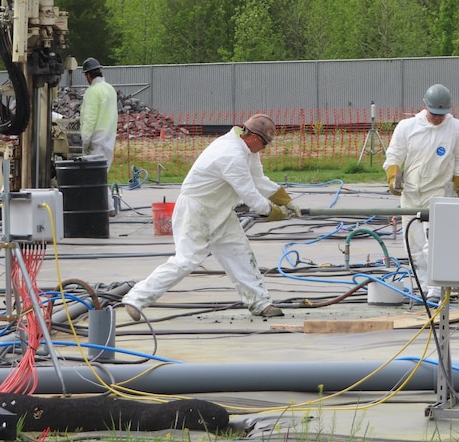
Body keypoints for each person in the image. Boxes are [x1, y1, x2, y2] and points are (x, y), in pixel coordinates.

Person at [122, 113, 300, 319]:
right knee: (186, 261)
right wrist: (272, 212)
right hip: (196, 212)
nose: (265, 148)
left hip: (220, 211)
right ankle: (135, 298)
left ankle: (260, 303)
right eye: (265, 143)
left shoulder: (247, 150)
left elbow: (258, 179)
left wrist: (284, 198)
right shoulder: (231, 154)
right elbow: (249, 194)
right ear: (253, 137)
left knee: (240, 253)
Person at [383, 84, 459, 303]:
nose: (438, 119)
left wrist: (458, 181)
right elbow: (393, 156)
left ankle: (436, 288)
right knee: (413, 245)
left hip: (439, 194)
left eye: (442, 115)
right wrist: (393, 175)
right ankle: (423, 288)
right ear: (425, 106)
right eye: (434, 114)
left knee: (434, 244)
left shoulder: (457, 128)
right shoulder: (407, 127)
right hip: (412, 195)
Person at [80, 57, 119, 215]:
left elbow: (90, 118)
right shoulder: (110, 89)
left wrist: (84, 140)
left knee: (95, 174)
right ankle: (107, 206)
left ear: (88, 75)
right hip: (110, 135)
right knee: (102, 173)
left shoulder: (93, 92)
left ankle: (104, 207)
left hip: (97, 137)